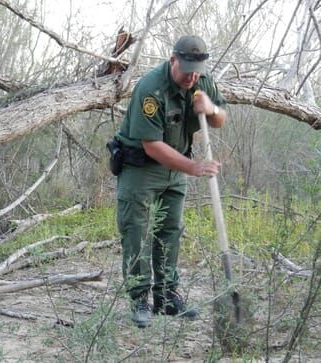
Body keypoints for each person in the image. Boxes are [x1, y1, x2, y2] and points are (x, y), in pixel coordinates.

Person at [114, 35, 227, 328]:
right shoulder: (151, 89)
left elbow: (221, 119)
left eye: (196, 70)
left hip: (176, 167)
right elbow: (151, 145)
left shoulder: (202, 82)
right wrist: (194, 167)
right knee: (136, 231)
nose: (191, 76)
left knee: (170, 231)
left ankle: (166, 297)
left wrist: (211, 109)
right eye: (186, 68)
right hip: (141, 167)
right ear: (172, 59)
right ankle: (139, 298)